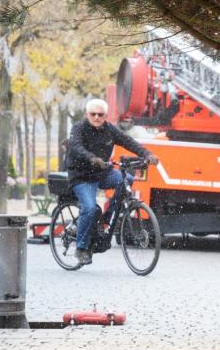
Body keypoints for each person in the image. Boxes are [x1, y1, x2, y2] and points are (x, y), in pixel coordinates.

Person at [66, 99, 158, 265]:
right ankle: (81, 248)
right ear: (87, 115)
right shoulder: (78, 128)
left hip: (102, 173)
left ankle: (107, 218)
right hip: (82, 176)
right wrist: (92, 158)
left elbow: (128, 141)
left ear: (105, 116)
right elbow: (75, 147)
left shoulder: (109, 130)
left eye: (100, 114)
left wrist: (147, 154)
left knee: (127, 180)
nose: (96, 117)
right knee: (89, 208)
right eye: (93, 114)